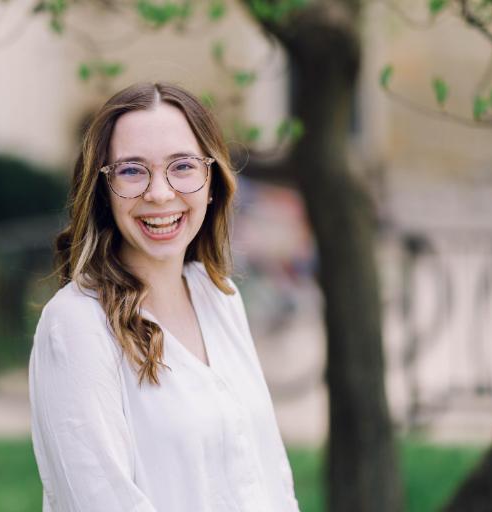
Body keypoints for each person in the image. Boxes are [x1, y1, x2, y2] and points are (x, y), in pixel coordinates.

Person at [28, 82, 301, 512]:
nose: (159, 193)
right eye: (133, 170)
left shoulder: (219, 297)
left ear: (211, 181)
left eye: (182, 166)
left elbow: (272, 476)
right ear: (103, 189)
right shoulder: (77, 325)